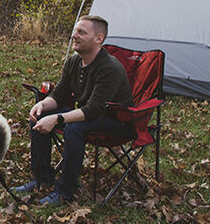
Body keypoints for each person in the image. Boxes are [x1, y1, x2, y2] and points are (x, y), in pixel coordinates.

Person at [13, 14, 134, 206]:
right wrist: (43, 105)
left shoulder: (109, 68)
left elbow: (94, 109)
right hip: (92, 115)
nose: (73, 36)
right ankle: (42, 178)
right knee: (40, 116)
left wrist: (58, 119)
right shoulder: (74, 61)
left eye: (81, 32)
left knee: (73, 128)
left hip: (118, 122)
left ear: (98, 39)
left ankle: (65, 191)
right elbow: (60, 94)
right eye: (75, 31)